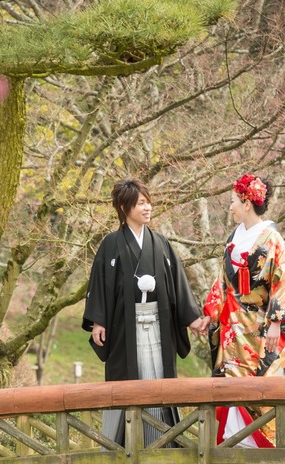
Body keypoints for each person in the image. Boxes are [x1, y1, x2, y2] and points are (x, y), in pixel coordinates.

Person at [83, 178, 209, 446]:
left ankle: (161, 441)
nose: (148, 207)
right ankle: (123, 445)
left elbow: (178, 284)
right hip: (124, 329)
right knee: (128, 381)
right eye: (141, 203)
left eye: (148, 202)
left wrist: (193, 318)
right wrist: (98, 321)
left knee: (156, 378)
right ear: (123, 207)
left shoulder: (160, 243)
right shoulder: (111, 244)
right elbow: (100, 284)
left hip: (158, 326)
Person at [203, 173, 285, 447]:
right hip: (232, 326)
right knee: (231, 382)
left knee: (260, 382)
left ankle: (261, 446)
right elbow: (222, 281)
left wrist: (275, 322)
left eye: (234, 201)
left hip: (259, 325)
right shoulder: (234, 237)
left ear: (247, 202)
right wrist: (209, 313)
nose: (231, 207)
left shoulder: (271, 238)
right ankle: (233, 444)